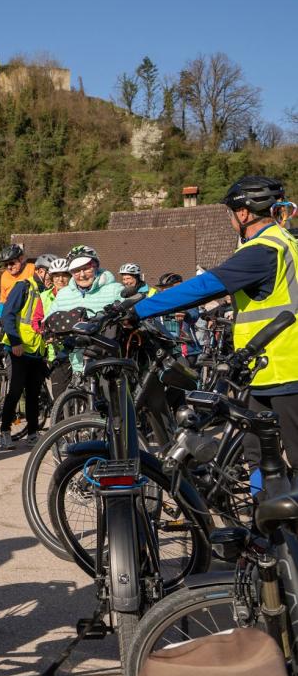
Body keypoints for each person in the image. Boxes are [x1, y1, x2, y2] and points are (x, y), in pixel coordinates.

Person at [130, 177, 298, 472]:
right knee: (257, 455)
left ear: (243, 213)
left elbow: (206, 286)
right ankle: (263, 515)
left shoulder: (262, 250)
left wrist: (137, 310)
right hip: (265, 371)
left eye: (230, 214)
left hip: (285, 371)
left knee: (284, 459)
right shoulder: (289, 243)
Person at [0, 253, 50, 448]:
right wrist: (15, 341)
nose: (53, 278)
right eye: (50, 273)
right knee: (16, 390)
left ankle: (33, 432)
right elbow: (8, 315)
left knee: (34, 393)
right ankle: (5, 431)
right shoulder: (24, 286)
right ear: (41, 271)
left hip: (37, 349)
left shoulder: (47, 292)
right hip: (18, 347)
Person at [48, 244, 124, 375]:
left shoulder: (115, 290)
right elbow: (49, 319)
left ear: (96, 266)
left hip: (108, 362)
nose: (82, 275)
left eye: (86, 268)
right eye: (76, 270)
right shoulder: (64, 294)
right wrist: (49, 332)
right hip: (77, 363)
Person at [36, 257, 74, 399]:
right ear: (51, 278)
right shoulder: (44, 296)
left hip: (78, 350)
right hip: (56, 352)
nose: (60, 279)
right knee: (59, 395)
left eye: (64, 275)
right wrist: (44, 333)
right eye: (56, 276)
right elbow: (37, 320)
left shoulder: (77, 294)